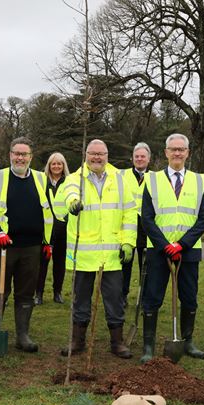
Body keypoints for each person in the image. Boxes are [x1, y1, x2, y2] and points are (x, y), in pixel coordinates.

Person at [55, 140, 137, 359]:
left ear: (107, 155)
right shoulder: (74, 180)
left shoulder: (119, 180)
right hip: (83, 255)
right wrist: (72, 202)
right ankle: (77, 340)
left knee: (115, 299)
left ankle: (117, 342)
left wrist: (128, 242)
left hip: (111, 255)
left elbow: (129, 213)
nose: (97, 158)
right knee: (80, 299)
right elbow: (63, 201)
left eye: (101, 154)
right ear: (86, 155)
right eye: (93, 154)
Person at [140, 133, 204, 362]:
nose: (177, 153)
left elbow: (203, 219)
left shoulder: (200, 181)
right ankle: (148, 347)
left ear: (188, 153)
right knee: (152, 297)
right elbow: (147, 219)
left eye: (182, 149)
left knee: (189, 298)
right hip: (159, 252)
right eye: (173, 149)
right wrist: (165, 245)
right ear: (166, 152)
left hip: (188, 252)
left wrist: (181, 244)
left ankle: (188, 342)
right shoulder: (152, 180)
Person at [0, 137, 53, 353]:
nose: (20, 158)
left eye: (24, 154)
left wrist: (47, 242)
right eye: (16, 153)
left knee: (26, 292)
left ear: (31, 156)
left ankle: (23, 335)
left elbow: (48, 212)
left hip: (32, 247)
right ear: (10, 155)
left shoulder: (41, 179)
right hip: (3, 247)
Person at [35, 152, 70, 305]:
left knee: (60, 262)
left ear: (64, 166)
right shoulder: (42, 181)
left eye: (59, 164)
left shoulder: (69, 182)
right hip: (46, 229)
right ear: (49, 166)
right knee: (42, 263)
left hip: (63, 228)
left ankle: (57, 292)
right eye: (53, 164)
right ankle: (39, 293)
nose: (56, 166)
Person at [119, 142, 150, 308]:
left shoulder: (155, 178)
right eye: (136, 156)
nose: (139, 159)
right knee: (125, 263)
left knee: (146, 264)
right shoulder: (122, 175)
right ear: (132, 159)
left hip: (147, 226)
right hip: (128, 226)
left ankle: (144, 297)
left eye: (142, 156)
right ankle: (122, 295)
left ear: (148, 159)